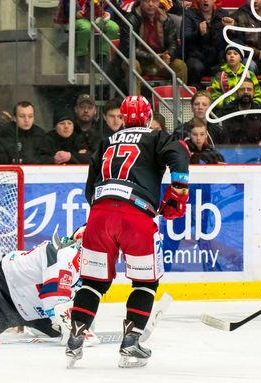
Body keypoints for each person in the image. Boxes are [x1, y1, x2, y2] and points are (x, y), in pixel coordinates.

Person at [65, 95, 190, 368]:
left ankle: (75, 337)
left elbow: (90, 186)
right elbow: (180, 154)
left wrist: (102, 212)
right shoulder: (156, 137)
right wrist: (179, 190)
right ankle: (131, 341)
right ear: (148, 117)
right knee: (145, 283)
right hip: (135, 214)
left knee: (93, 281)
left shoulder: (106, 141)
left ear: (122, 117)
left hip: (99, 213)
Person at [0, 227, 89, 342]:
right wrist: (73, 327)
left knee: (58, 330)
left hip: (32, 313)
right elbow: (53, 300)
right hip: (5, 289)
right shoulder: (66, 255)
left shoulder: (87, 267)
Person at [118, 0, 189, 94]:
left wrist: (168, 55)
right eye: (147, 1)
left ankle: (178, 103)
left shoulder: (166, 19)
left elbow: (173, 44)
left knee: (180, 66)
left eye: (154, 1)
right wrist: (153, 57)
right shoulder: (130, 19)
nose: (151, 4)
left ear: (159, 3)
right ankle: (136, 104)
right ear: (141, 2)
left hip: (161, 61)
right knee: (132, 64)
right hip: (140, 61)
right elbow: (127, 49)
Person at [182, 0, 230, 85]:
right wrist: (198, 33)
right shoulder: (189, 14)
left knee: (228, 65)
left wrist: (231, 29)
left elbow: (231, 40)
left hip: (217, 59)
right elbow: (185, 38)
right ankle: (196, 94)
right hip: (197, 57)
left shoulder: (223, 14)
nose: (205, 0)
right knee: (195, 66)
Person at [210, 42, 261, 109]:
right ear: (226, 58)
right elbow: (215, 97)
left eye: (235, 53)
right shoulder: (219, 76)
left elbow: (258, 95)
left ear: (241, 58)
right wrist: (228, 106)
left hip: (247, 109)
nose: (232, 56)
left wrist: (253, 107)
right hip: (227, 111)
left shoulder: (249, 74)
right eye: (229, 53)